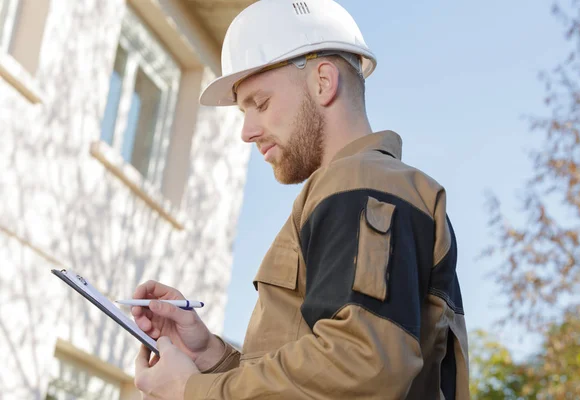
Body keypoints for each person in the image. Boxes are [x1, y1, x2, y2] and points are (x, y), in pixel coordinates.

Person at [132, 0, 470, 399]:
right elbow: (321, 375)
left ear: (323, 82)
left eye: (260, 103)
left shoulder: (363, 184)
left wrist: (193, 392)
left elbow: (362, 366)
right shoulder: (355, 189)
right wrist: (209, 355)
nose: (247, 131)